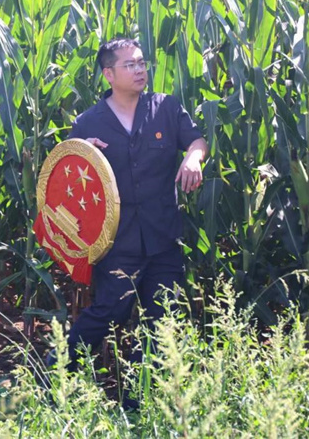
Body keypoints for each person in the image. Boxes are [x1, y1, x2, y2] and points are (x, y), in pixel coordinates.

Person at [64, 38, 207, 370]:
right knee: (109, 312)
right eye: (130, 65)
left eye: (142, 63)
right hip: (118, 241)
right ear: (108, 74)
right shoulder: (88, 123)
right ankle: (55, 372)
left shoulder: (166, 108)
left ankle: (141, 392)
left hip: (163, 235)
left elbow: (197, 140)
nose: (140, 70)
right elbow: (66, 179)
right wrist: (83, 153)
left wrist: (193, 158)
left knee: (163, 317)